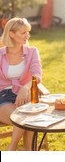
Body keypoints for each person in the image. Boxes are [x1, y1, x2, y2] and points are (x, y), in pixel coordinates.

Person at [0, 17, 43, 151]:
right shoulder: (0, 55)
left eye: (27, 32)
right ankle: (15, 149)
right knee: (23, 119)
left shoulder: (32, 51)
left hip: (26, 95)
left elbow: (37, 74)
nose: (27, 35)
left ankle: (21, 153)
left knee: (28, 119)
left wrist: (25, 88)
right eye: (23, 32)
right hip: (3, 96)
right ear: (11, 34)